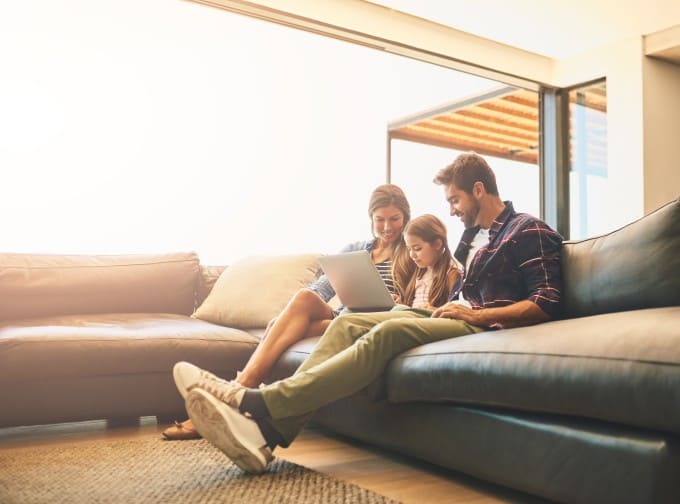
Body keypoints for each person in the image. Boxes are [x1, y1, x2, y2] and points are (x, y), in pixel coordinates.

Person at [172, 152, 563, 474]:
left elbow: (547, 302)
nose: (452, 210)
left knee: (384, 335)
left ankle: (257, 403)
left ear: (479, 190)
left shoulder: (526, 229)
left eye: (455, 200)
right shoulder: (475, 238)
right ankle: (265, 435)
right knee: (347, 321)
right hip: (445, 315)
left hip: (478, 324)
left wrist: (474, 315)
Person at [162, 183, 413, 440]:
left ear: (405, 217)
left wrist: (397, 302)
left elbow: (419, 303)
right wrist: (292, 313)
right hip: (343, 315)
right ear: (370, 218)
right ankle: (240, 395)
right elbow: (321, 288)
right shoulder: (356, 250)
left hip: (372, 321)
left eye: (394, 219)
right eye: (379, 219)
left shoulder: (412, 251)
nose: (386, 227)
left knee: (280, 329)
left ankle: (233, 393)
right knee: (301, 301)